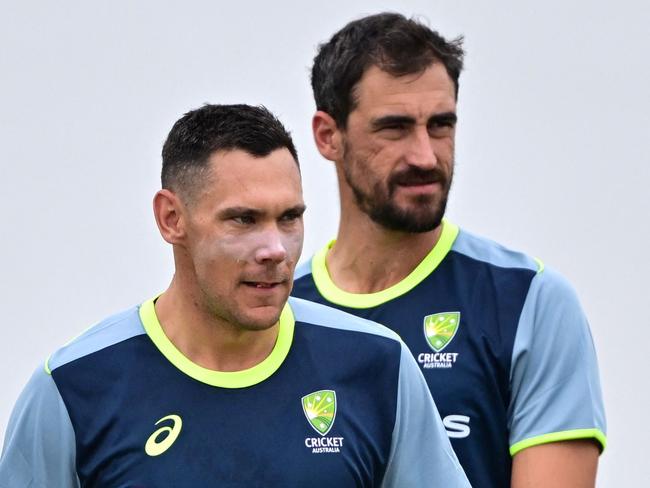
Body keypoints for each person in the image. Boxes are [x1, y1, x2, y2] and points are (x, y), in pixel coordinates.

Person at [0, 104, 469, 487]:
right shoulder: (74, 387)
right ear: (171, 219)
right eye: (243, 220)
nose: (275, 249)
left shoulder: (378, 364)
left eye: (289, 217)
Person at [292, 12, 606, 488]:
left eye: (440, 125)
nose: (425, 155)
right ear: (327, 135)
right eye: (394, 128)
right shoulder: (278, 310)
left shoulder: (529, 301)